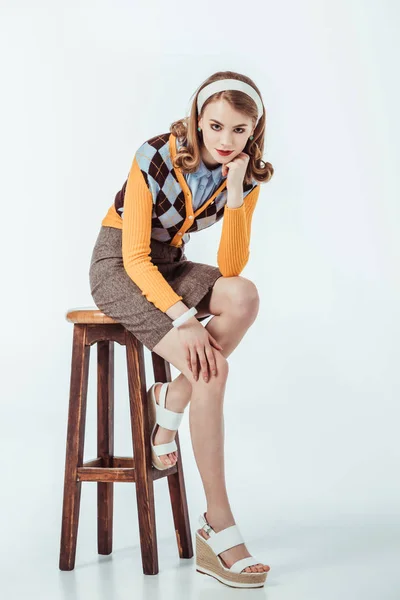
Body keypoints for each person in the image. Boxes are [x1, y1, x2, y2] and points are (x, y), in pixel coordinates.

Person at [89, 70, 274, 588]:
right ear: (197, 118)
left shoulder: (245, 174)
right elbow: (133, 256)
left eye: (239, 131)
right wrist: (185, 319)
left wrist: (235, 192)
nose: (223, 140)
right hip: (121, 267)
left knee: (244, 295)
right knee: (213, 372)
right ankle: (218, 528)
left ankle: (169, 401)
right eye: (214, 125)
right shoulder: (154, 154)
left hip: (171, 264)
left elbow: (232, 265)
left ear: (253, 133)